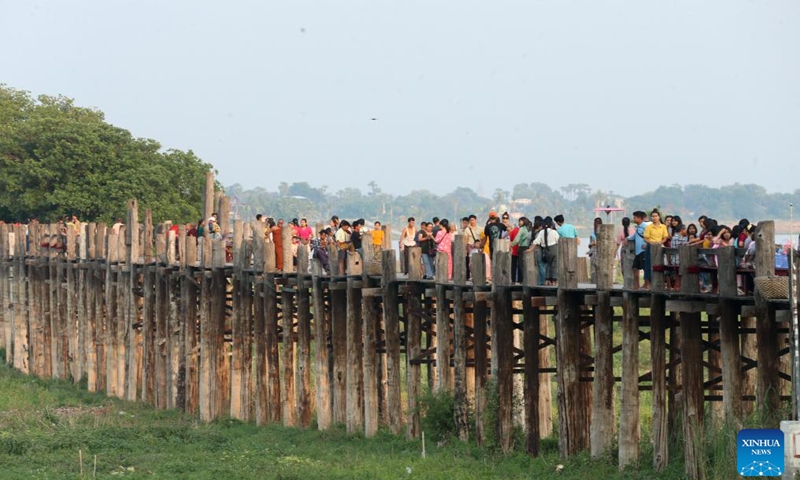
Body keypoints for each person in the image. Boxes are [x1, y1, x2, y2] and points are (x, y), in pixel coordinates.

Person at [533, 216, 560, 285]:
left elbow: (536, 242)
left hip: (546, 251)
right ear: (551, 225)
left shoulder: (541, 232)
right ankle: (554, 281)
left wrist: (530, 249)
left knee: (548, 265)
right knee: (554, 265)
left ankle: (546, 280)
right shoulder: (553, 232)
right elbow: (558, 240)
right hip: (554, 248)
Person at [627, 211, 649, 290]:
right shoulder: (638, 227)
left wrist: (647, 245)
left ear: (641, 218)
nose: (634, 219)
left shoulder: (645, 227)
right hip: (638, 251)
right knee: (634, 268)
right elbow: (634, 236)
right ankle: (637, 284)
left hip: (643, 251)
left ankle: (647, 284)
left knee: (645, 268)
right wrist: (627, 238)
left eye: (635, 217)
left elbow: (649, 236)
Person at [510, 217, 531, 283]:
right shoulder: (529, 229)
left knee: (521, 265)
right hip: (528, 247)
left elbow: (517, 239)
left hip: (522, 247)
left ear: (524, 221)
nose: (519, 222)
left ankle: (521, 280)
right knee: (526, 264)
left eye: (520, 221)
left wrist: (511, 245)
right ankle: (526, 280)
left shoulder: (522, 229)